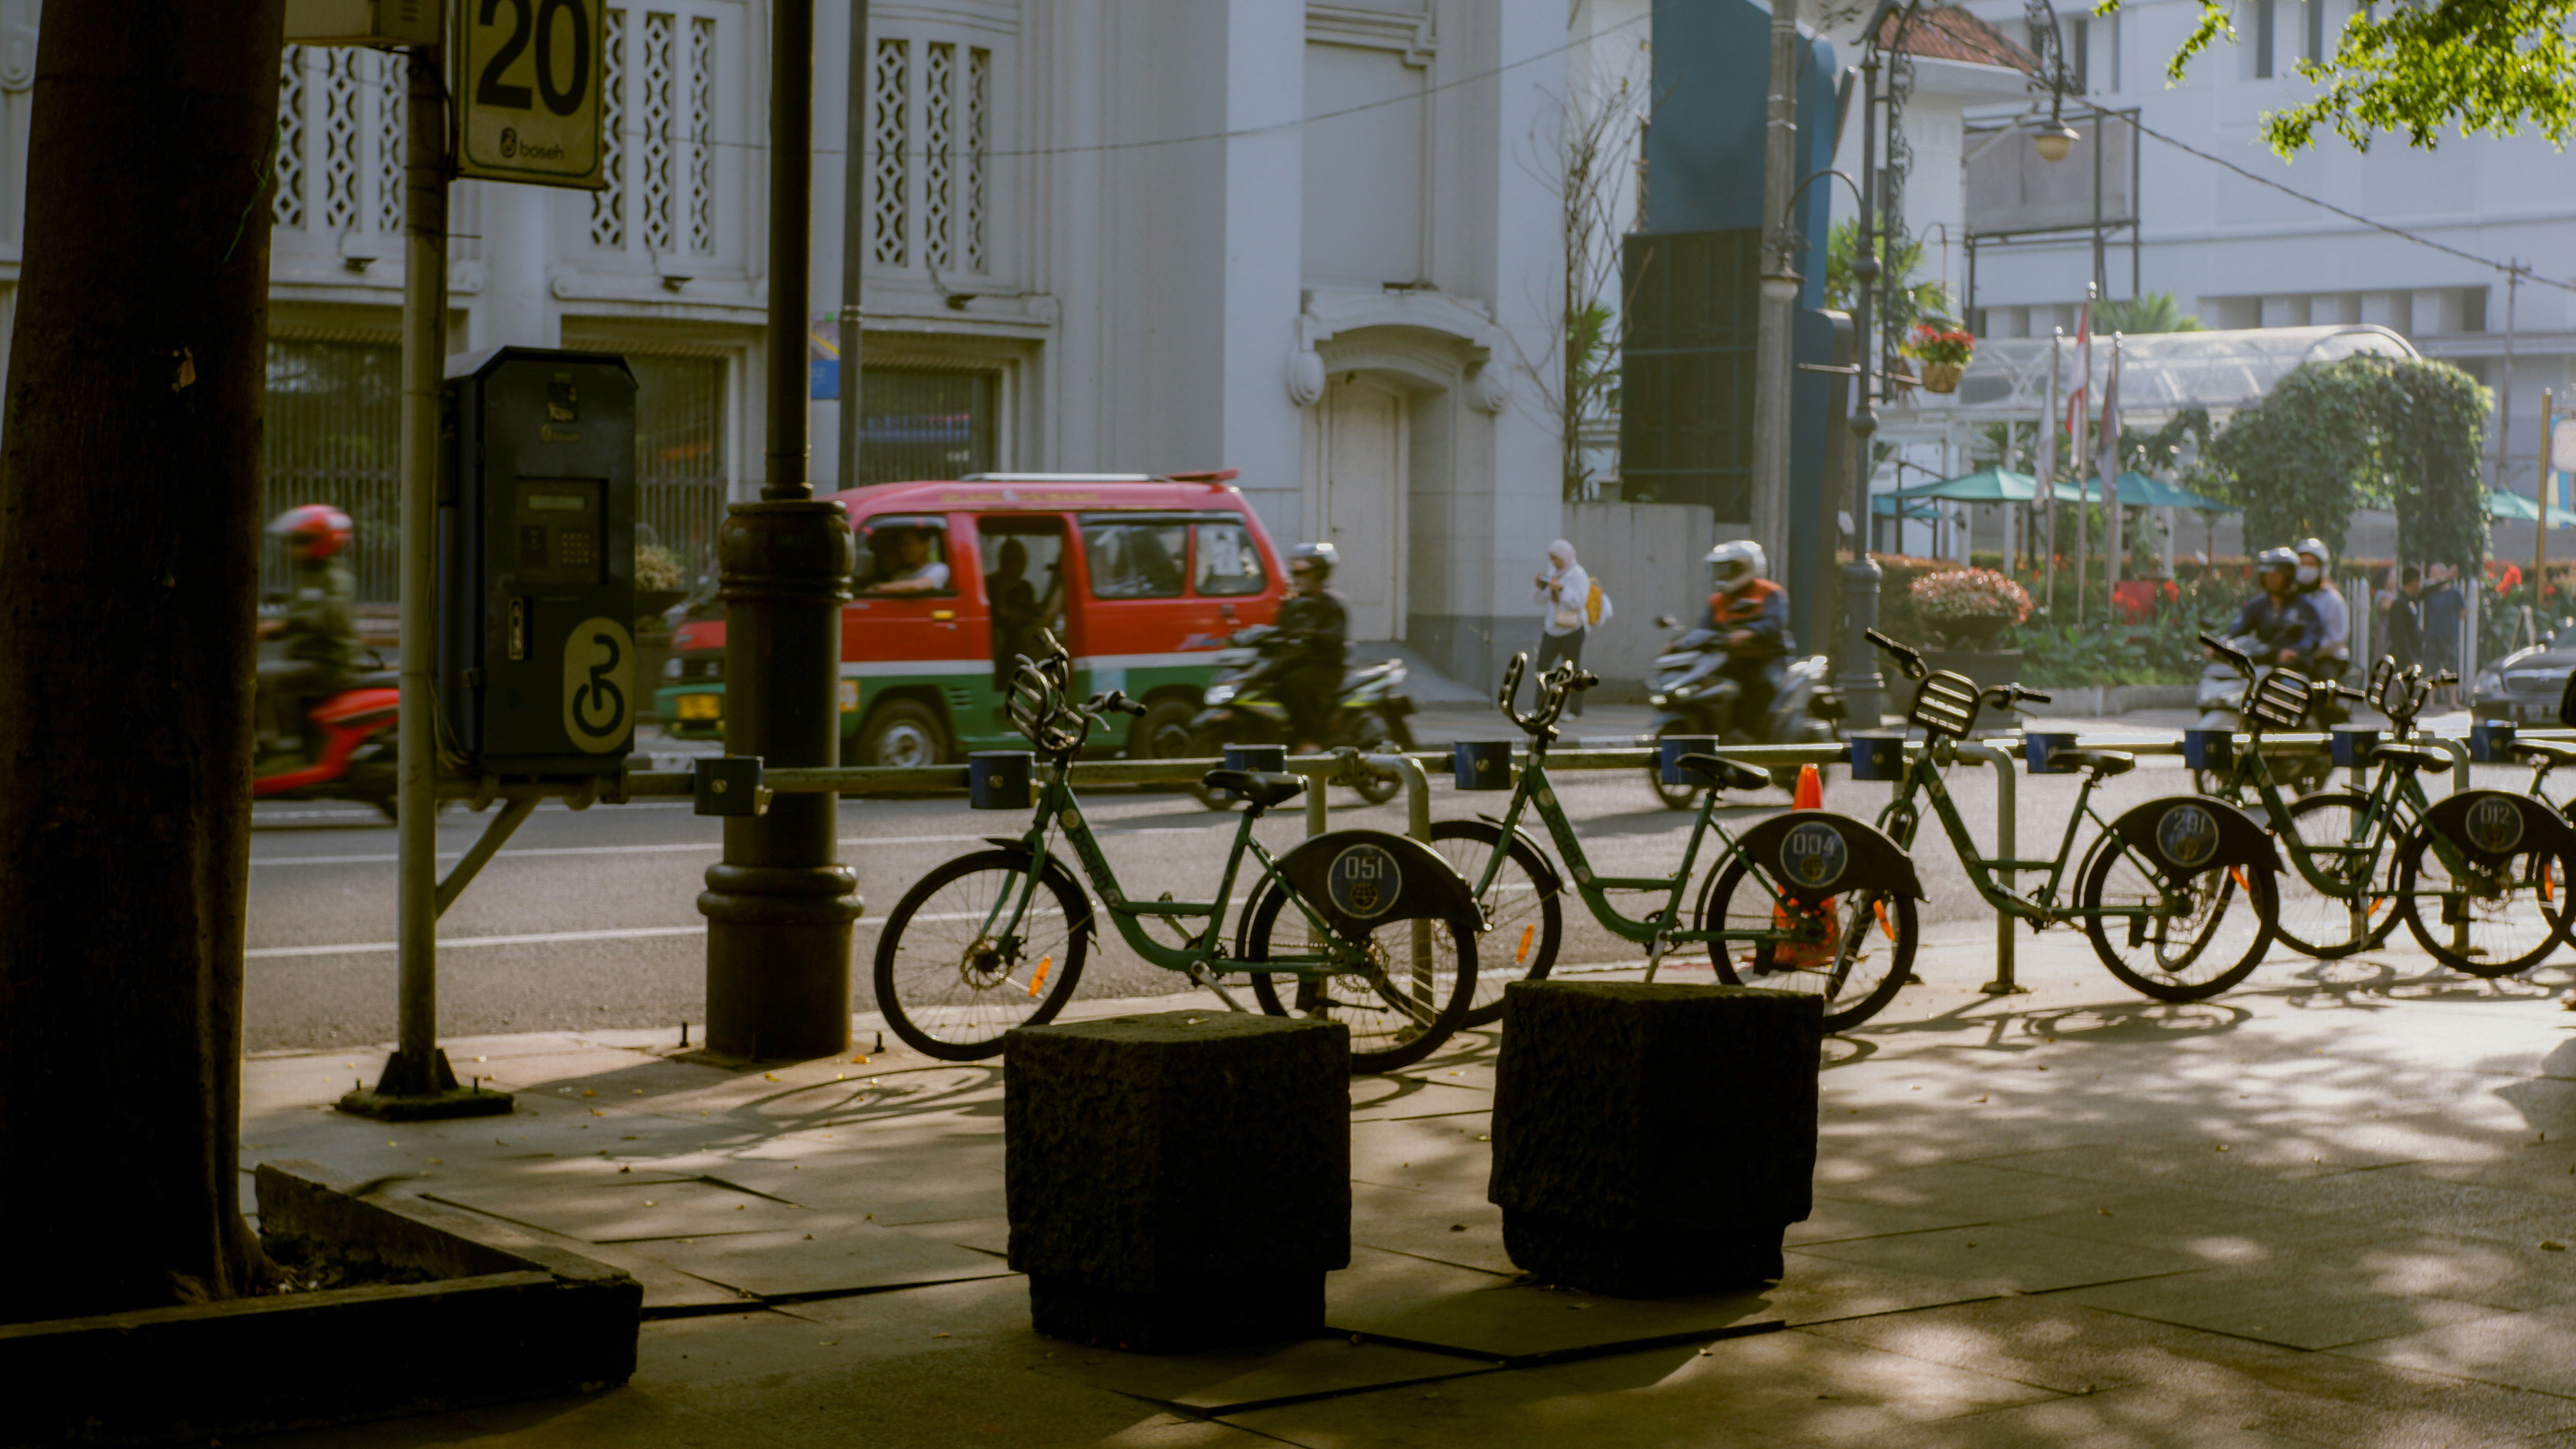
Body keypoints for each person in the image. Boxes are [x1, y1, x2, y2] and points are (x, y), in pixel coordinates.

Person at [257, 504, 360, 761]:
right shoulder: (308, 575)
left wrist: (283, 626)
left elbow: (329, 619)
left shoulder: (335, 578)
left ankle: (282, 746)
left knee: (267, 676)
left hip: (329, 664)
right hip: (309, 660)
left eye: (300, 541)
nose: (292, 548)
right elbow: (303, 611)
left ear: (322, 543)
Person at [1705, 540, 1792, 736]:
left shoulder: (1769, 592)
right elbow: (1705, 628)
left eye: (1732, 568)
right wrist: (1678, 643)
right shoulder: (1718, 599)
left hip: (1768, 658)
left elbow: (1774, 624)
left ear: (1750, 566)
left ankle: (1754, 737)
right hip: (1732, 660)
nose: (1725, 574)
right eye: (1722, 569)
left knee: (1764, 687)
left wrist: (1750, 632)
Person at [1273, 542, 1349, 750]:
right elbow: (1279, 628)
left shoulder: (1331, 603)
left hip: (1326, 667)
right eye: (1295, 573)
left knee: (1292, 684)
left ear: (1319, 574)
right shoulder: (1292, 603)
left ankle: (1309, 739)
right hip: (1299, 661)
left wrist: (1313, 635)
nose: (1298, 578)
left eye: (1304, 574)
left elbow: (1334, 637)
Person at [2220, 548, 2321, 670]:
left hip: (2294, 669)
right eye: (2267, 575)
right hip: (2262, 666)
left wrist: (2295, 651)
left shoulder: (2304, 606)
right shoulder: (2258, 605)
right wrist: (2222, 642)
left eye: (2277, 575)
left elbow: (2313, 635)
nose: (2271, 579)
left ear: (2290, 576)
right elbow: (2239, 628)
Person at [2293, 538, 2350, 723]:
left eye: (2312, 565)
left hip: (2327, 659)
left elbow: (2337, 638)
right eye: (2303, 564)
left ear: (2322, 568)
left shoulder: (2333, 600)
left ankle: (2331, 734)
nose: (2307, 569)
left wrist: (2311, 651)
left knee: (2322, 692)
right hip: (2299, 658)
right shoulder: (2291, 599)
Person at [1532, 540, 1590, 717]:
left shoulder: (1578, 574)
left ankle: (1575, 711)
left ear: (1565, 557)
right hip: (1552, 628)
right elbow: (1539, 600)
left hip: (1573, 630)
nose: (1554, 563)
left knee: (1571, 671)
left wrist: (1562, 588)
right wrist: (1541, 587)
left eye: (1556, 558)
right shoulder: (1553, 573)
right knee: (1543, 666)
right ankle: (1540, 708)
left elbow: (1579, 602)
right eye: (1552, 558)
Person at [985, 537, 1042, 687]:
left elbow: (1030, 613)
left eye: (1019, 560)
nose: (1015, 564)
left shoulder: (1026, 587)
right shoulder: (991, 583)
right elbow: (1000, 612)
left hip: (1021, 632)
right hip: (998, 632)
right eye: (1010, 559)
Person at [2419, 562, 2465, 700]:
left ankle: (2453, 700)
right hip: (2432, 635)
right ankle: (2431, 701)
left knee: (2451, 668)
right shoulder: (2429, 593)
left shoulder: (2455, 593)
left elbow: (2463, 613)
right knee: (2431, 668)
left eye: (2434, 573)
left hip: (2449, 635)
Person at [867, 527, 951, 595]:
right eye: (902, 545)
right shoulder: (901, 576)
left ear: (925, 545)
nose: (903, 550)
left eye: (908, 544)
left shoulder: (939, 569)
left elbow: (918, 586)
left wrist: (878, 587)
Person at [2383, 565, 2424, 675]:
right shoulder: (2399, 605)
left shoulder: (2410, 602)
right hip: (2404, 661)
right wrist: (2409, 659)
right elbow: (2399, 635)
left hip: (2414, 657)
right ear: (2414, 582)